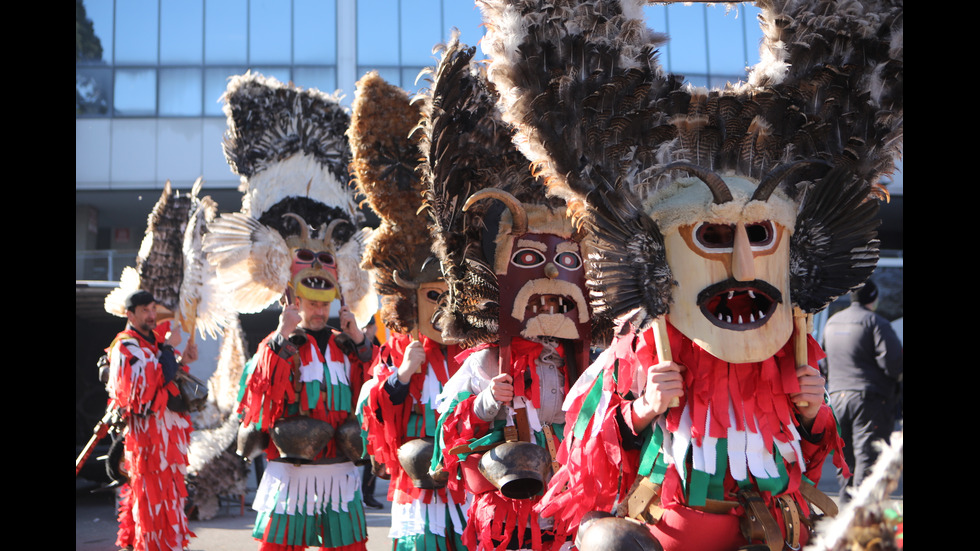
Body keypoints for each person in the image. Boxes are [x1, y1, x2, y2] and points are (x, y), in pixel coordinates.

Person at [105, 290, 197, 551]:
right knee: (150, 499)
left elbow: (168, 376)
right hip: (147, 441)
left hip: (166, 441)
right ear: (129, 314)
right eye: (145, 310)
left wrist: (182, 360)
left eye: (153, 309)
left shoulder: (152, 344)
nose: (152, 315)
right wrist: (169, 347)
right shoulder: (125, 345)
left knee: (166, 497)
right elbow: (155, 379)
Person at [824, 280, 903, 503]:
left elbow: (823, 363)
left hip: (838, 398)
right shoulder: (875, 322)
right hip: (869, 400)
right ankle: (859, 516)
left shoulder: (832, 322)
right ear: (873, 298)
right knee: (867, 458)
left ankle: (846, 509)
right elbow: (893, 362)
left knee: (845, 460)